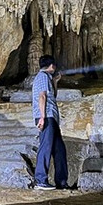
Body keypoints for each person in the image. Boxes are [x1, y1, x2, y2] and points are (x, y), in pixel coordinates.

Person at [32, 55, 69, 190]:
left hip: (51, 117)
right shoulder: (42, 76)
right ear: (52, 66)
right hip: (46, 116)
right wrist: (42, 117)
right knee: (46, 146)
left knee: (59, 149)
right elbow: (42, 96)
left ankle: (62, 181)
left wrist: (55, 81)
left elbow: (52, 95)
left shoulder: (47, 78)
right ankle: (40, 180)